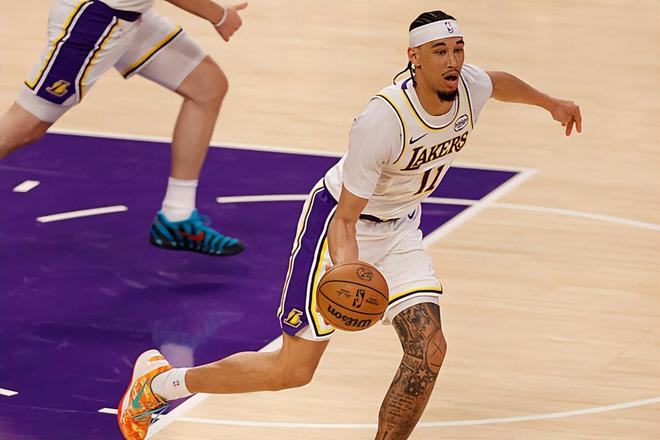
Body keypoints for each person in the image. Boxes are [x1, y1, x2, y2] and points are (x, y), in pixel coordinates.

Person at [117, 10, 582, 440]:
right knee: (290, 372)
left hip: (401, 228)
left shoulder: (468, 86)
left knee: (428, 350)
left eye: (458, 49)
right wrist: (350, 272)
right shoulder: (384, 120)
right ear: (414, 57)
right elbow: (345, 219)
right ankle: (159, 386)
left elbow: (498, 82)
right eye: (440, 51)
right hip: (339, 228)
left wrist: (551, 103)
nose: (452, 60)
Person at [0, 0, 248, 256]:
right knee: (24, 127)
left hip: (129, 16)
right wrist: (219, 16)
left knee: (207, 86)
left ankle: (177, 216)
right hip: (95, 20)